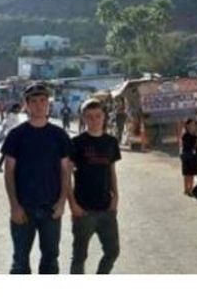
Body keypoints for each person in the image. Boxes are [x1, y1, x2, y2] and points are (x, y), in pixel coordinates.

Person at [0, 81, 73, 274]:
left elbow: (66, 172)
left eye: (43, 100)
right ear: (26, 104)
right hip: (23, 209)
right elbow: (9, 173)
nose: (39, 105)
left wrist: (61, 203)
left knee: (50, 262)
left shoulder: (59, 136)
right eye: (34, 101)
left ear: (49, 104)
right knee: (20, 263)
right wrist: (14, 206)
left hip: (51, 209)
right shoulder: (16, 135)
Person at [68, 97, 121, 274]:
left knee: (113, 252)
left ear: (104, 117)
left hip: (107, 208)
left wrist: (116, 198)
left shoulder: (111, 142)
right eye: (89, 117)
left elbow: (111, 170)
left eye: (98, 116)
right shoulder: (76, 143)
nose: (94, 120)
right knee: (79, 257)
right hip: (83, 211)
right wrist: (73, 205)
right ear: (84, 118)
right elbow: (66, 176)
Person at [180, 117, 197, 196]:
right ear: (187, 125)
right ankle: (187, 189)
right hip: (187, 155)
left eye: (194, 124)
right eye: (191, 124)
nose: (193, 126)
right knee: (187, 173)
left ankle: (191, 188)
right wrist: (196, 143)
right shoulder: (185, 134)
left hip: (194, 156)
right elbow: (187, 146)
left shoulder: (195, 133)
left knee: (192, 173)